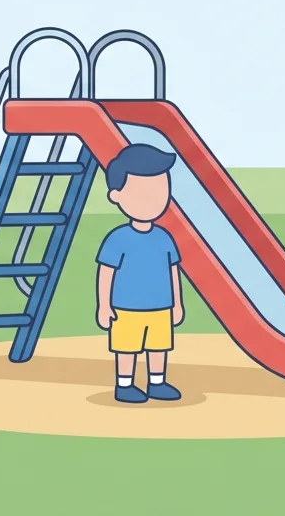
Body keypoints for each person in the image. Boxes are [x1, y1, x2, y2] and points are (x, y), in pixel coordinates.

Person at [95, 143, 185, 403]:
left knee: (159, 346)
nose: (153, 198)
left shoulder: (164, 238)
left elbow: (173, 271)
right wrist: (104, 306)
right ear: (116, 196)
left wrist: (177, 304)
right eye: (142, 191)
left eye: (160, 189)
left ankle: (157, 382)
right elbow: (106, 272)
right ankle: (125, 385)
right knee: (127, 347)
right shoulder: (118, 238)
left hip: (160, 306)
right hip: (126, 308)